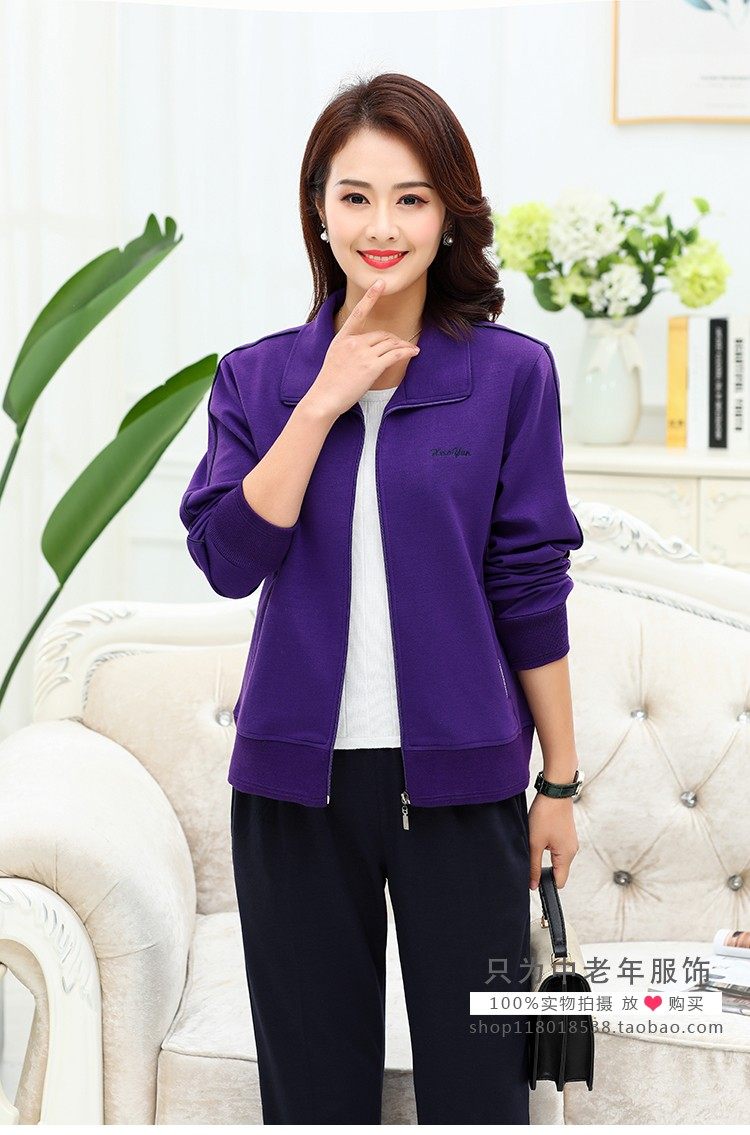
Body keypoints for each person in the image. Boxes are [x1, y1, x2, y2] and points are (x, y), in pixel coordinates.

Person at [180, 71, 583, 1125]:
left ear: (448, 214)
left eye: (411, 197)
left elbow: (529, 584)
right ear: (319, 209)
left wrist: (559, 780)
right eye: (355, 196)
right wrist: (319, 403)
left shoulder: (512, 377)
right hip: (293, 795)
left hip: (465, 791)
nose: (382, 226)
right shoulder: (257, 380)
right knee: (314, 1101)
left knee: (481, 1096)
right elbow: (228, 558)